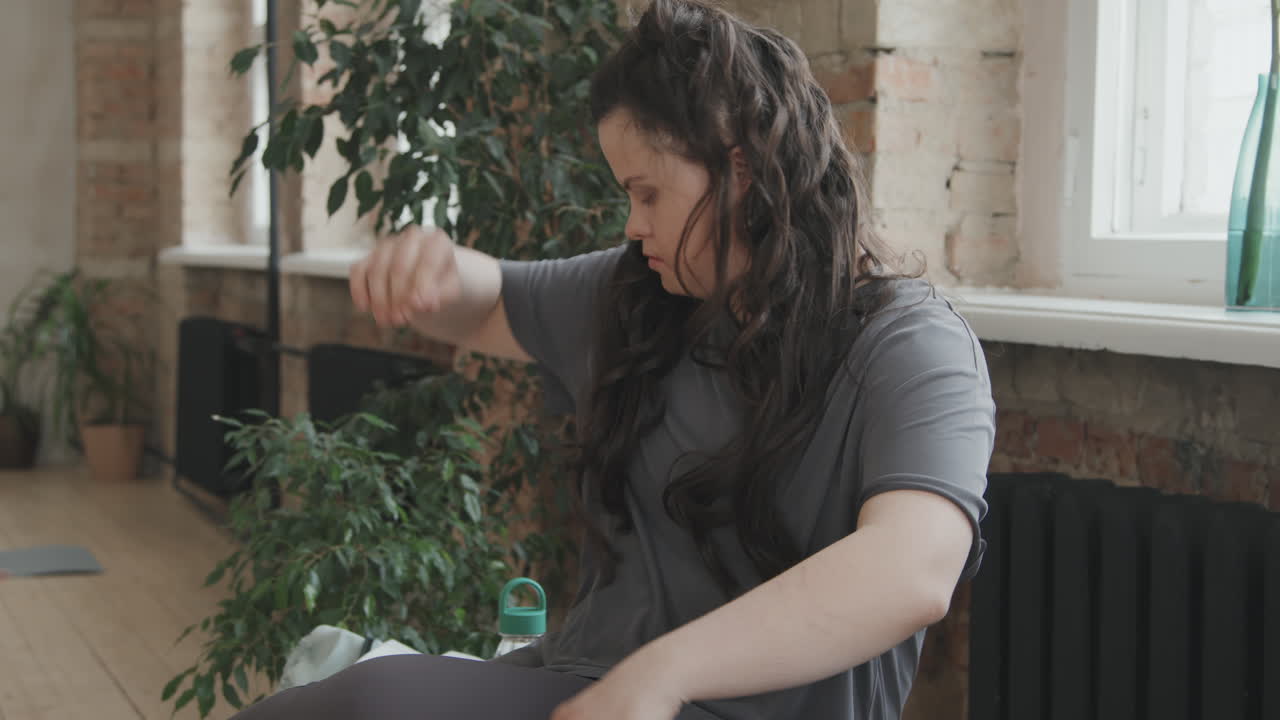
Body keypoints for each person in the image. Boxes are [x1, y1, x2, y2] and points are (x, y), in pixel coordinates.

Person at [231, 0, 993, 718]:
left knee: (372, 702)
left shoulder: (912, 345)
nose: (633, 224)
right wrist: (435, 267)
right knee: (354, 699)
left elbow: (913, 569)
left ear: (743, 172)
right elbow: (494, 300)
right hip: (587, 690)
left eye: (648, 193)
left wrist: (664, 673)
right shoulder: (647, 296)